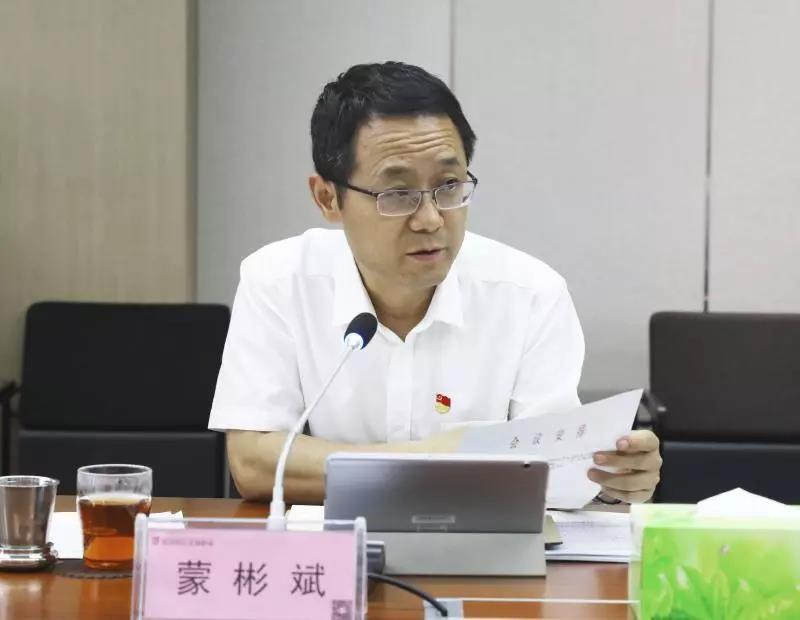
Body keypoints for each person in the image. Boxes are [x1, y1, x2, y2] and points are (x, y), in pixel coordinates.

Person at [208, 61, 662, 505]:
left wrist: (611, 480)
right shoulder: (279, 281)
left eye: (449, 186)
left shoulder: (531, 294)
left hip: (484, 551)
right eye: (397, 193)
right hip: (336, 549)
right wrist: (445, 457)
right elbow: (254, 464)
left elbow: (552, 472)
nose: (430, 219)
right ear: (328, 198)